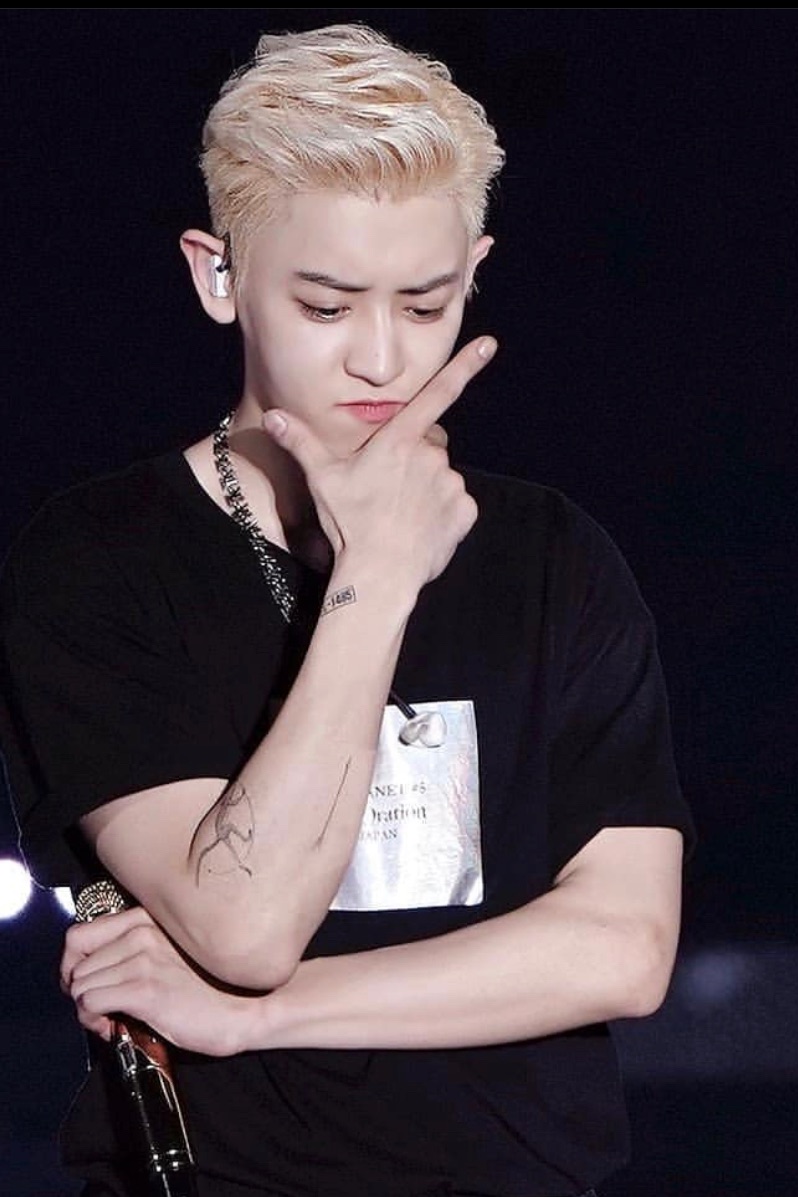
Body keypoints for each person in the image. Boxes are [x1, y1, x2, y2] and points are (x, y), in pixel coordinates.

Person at [0, 21, 695, 1197]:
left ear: (474, 270)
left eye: (426, 305)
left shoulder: (554, 559)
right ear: (218, 276)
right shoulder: (101, 558)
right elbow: (244, 925)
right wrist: (375, 576)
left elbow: (622, 951)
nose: (381, 359)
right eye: (326, 307)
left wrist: (264, 1019)